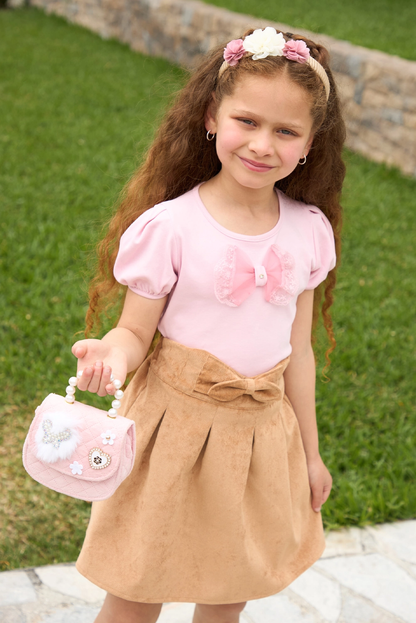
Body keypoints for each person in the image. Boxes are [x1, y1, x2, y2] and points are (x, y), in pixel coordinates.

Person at [72, 26, 346, 623]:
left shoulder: (308, 231)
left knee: (227, 593)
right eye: (247, 121)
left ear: (309, 143)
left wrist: (311, 455)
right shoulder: (172, 227)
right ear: (212, 117)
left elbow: (298, 352)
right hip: (171, 433)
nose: (262, 145)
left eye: (286, 131)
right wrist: (113, 354)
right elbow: (134, 333)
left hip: (259, 440)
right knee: (136, 590)